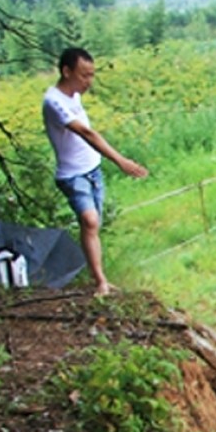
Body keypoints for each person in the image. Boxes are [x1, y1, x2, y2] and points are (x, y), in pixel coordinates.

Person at [43, 47, 148, 296]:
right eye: (83, 75)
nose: (88, 81)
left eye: (91, 75)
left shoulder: (74, 97)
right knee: (89, 221)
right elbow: (86, 133)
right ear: (66, 71)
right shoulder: (54, 102)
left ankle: (99, 277)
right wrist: (121, 161)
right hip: (72, 174)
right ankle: (100, 281)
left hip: (93, 169)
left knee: (94, 225)